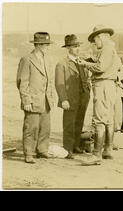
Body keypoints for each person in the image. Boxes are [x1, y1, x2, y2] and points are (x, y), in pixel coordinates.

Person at [78, 25, 122, 164]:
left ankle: (96, 154)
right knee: (108, 119)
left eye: (95, 40)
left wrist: (85, 64)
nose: (94, 43)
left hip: (102, 85)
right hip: (109, 86)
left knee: (98, 120)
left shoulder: (107, 49)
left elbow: (101, 67)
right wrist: (91, 60)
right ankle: (107, 150)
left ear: (101, 37)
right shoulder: (111, 49)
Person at [17, 32, 56, 163]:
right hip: (32, 101)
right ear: (37, 45)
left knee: (45, 127)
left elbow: (50, 81)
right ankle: (29, 153)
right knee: (31, 128)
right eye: (45, 44)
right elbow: (22, 82)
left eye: (48, 44)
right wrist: (26, 100)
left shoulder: (47, 59)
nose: (47, 47)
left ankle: (42, 150)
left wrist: (51, 97)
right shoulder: (27, 59)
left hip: (45, 101)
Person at [55, 34, 90, 159]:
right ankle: (67, 148)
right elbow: (59, 84)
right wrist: (63, 99)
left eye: (78, 46)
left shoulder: (81, 61)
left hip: (83, 97)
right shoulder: (62, 64)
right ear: (68, 48)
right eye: (74, 46)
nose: (77, 49)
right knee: (69, 124)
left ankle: (75, 146)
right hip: (70, 99)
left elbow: (86, 78)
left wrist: (87, 91)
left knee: (79, 122)